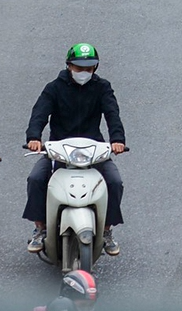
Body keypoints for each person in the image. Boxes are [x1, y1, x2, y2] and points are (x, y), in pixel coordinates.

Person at [25, 44, 128, 256]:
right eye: (79, 68)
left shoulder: (102, 88)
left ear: (95, 68)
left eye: (89, 69)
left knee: (114, 182)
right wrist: (34, 137)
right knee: (36, 178)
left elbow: (112, 114)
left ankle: (107, 231)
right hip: (58, 149)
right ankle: (40, 229)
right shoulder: (54, 88)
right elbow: (39, 113)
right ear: (69, 65)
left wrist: (117, 140)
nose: (84, 73)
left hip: (93, 149)